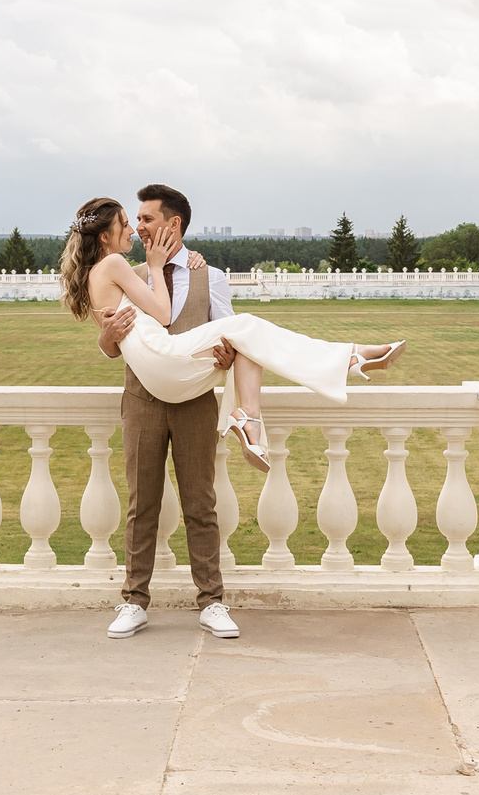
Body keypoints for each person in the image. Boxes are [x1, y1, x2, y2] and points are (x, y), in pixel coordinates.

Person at [67, 188, 402, 641]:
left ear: (174, 225)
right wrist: (109, 333)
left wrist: (225, 355)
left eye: (146, 219)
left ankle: (212, 601)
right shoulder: (126, 268)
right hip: (146, 391)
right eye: (132, 221)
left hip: (192, 389)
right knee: (141, 503)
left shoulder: (211, 275)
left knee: (200, 503)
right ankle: (134, 602)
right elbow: (124, 337)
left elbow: (228, 343)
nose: (139, 228)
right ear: (110, 233)